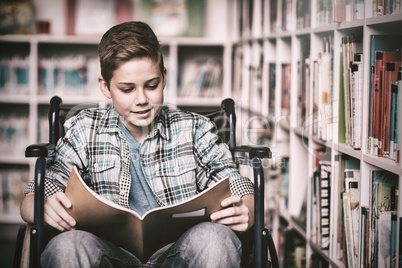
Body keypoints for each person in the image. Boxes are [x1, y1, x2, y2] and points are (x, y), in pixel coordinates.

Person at [20, 21, 254, 267]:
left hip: (180, 253)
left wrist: (247, 209)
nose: (142, 99)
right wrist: (40, 206)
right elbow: (37, 191)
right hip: (107, 254)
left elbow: (233, 181)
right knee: (67, 245)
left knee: (215, 238)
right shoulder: (84, 128)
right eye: (127, 89)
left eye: (151, 86)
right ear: (105, 86)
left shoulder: (194, 128)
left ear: (164, 78)